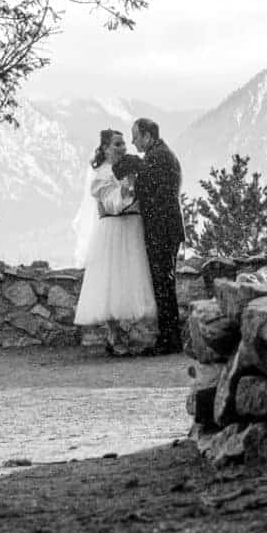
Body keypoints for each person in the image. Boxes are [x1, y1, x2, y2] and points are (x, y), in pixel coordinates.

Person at [73, 129, 157, 351]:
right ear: (105, 148)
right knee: (112, 279)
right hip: (114, 228)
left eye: (123, 144)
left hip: (133, 226)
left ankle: (128, 334)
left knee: (131, 277)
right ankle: (115, 335)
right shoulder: (103, 174)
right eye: (117, 144)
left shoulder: (127, 169)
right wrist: (128, 185)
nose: (122, 148)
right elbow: (112, 204)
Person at [120, 118, 185, 355]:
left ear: (147, 135)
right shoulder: (160, 155)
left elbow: (147, 190)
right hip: (165, 228)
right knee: (163, 283)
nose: (133, 141)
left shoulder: (158, 157)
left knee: (163, 284)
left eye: (135, 136)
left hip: (162, 230)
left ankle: (170, 340)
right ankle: (169, 337)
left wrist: (132, 169)